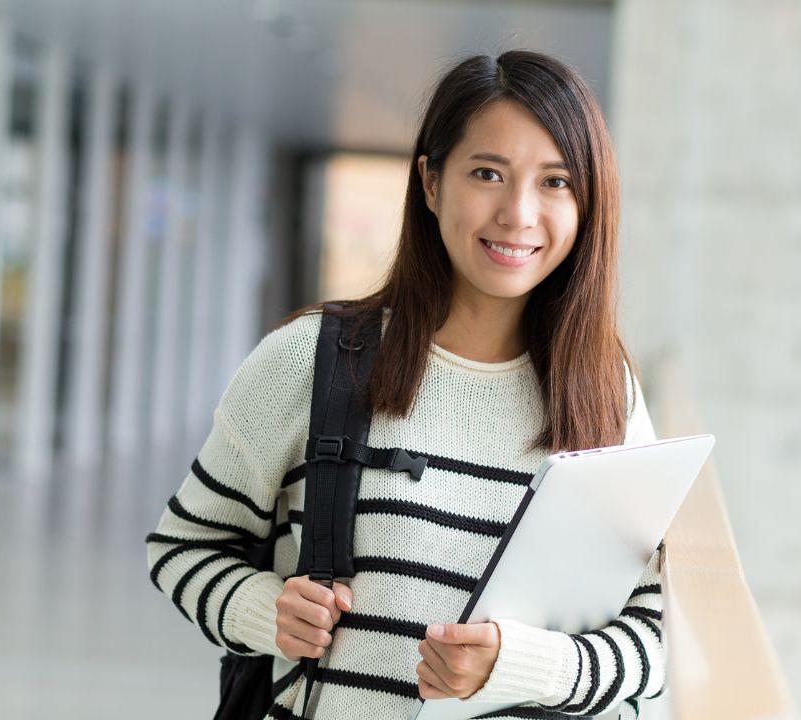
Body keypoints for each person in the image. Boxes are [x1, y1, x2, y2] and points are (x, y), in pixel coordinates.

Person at [146, 49, 666, 720]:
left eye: (556, 182)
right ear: (430, 182)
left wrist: (522, 664)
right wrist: (263, 610)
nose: (518, 213)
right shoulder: (314, 359)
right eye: (488, 173)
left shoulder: (605, 393)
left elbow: (652, 635)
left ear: (589, 202)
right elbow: (183, 548)